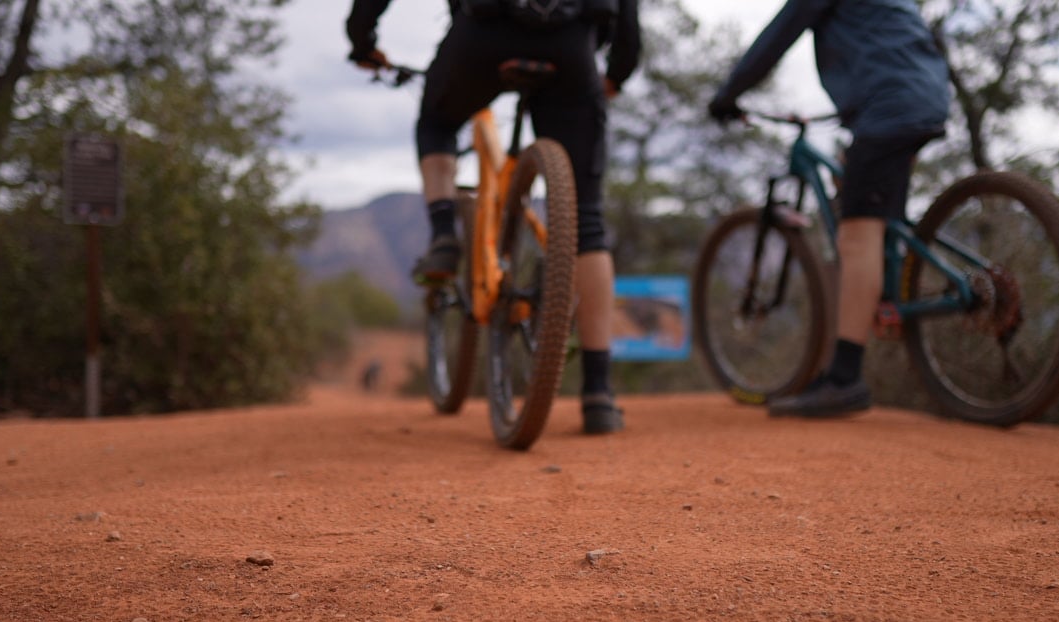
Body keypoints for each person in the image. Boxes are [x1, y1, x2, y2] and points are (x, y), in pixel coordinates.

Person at [346, 0, 641, 434]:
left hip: (481, 38)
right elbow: (626, 17)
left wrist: (362, 40)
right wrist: (617, 73)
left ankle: (444, 234)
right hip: (571, 45)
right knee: (587, 222)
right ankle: (598, 394)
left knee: (436, 124)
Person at [708, 0, 951, 418]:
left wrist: (728, 95)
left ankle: (843, 378)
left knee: (857, 235)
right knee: (877, 211)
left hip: (887, 106)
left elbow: (776, 37)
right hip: (927, 95)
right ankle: (887, 295)